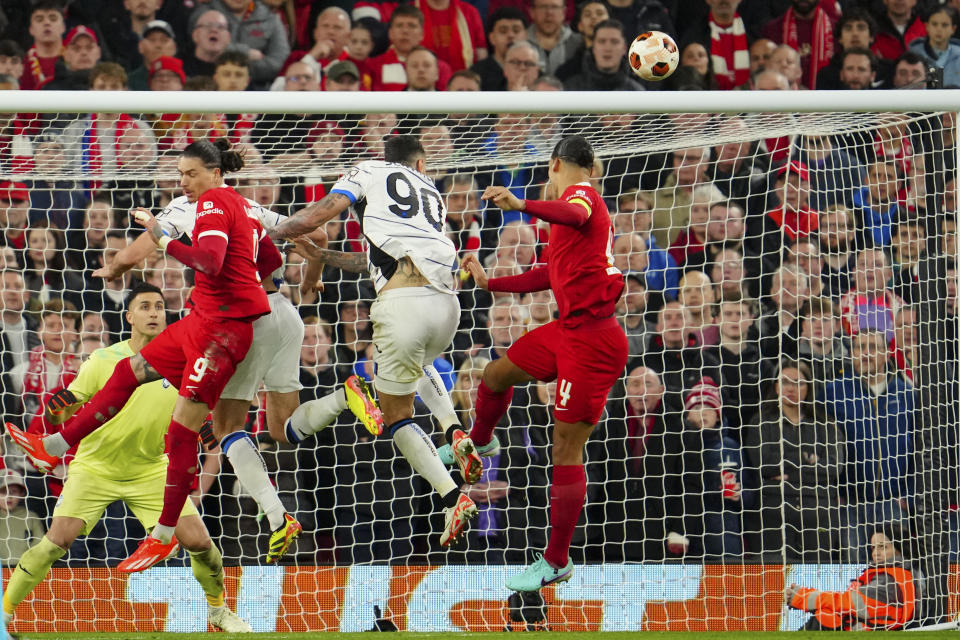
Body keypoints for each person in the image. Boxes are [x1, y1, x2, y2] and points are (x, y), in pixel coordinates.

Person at [8, 138, 284, 572]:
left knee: (181, 432)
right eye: (180, 175)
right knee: (129, 369)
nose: (184, 182)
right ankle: (54, 446)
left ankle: (162, 535)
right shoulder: (244, 208)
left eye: (191, 174)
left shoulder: (213, 203)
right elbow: (267, 259)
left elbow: (209, 262)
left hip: (222, 333)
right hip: (202, 318)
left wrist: (161, 238)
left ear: (215, 174)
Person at [266, 134, 482, 548]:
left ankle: (453, 498)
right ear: (421, 165)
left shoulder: (369, 169)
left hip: (402, 308)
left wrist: (274, 234)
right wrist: (322, 257)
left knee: (396, 415)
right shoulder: (431, 193)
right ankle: (455, 429)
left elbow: (319, 214)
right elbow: (371, 261)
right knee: (416, 368)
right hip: (447, 306)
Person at [2, 283, 252, 632]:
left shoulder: (186, 360)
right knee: (55, 542)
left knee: (200, 543)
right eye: (145, 306)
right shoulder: (103, 359)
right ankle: (5, 615)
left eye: (159, 306)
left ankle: (219, 611)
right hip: (95, 467)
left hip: (150, 469)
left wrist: (209, 429)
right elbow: (69, 407)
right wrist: (59, 413)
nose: (153, 312)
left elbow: (198, 414)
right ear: (128, 315)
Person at [456, 135, 628, 591]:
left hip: (594, 342)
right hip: (568, 330)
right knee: (495, 374)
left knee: (564, 451)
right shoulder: (566, 225)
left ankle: (556, 560)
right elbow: (543, 275)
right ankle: (481, 443)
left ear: (555, 165)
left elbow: (574, 210)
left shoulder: (582, 195)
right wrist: (489, 282)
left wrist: (521, 202)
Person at [744, 359, 843, 562]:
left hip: (818, 509)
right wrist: (807, 458)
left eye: (798, 382)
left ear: (809, 387)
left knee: (816, 579)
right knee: (774, 580)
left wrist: (786, 465)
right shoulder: (761, 421)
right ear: (776, 386)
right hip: (773, 509)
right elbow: (763, 464)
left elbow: (833, 468)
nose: (791, 388)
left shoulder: (826, 424)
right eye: (785, 381)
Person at [785, 522, 920, 630]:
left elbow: (850, 603)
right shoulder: (889, 574)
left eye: (883, 547)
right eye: (873, 548)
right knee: (826, 616)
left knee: (827, 617)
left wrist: (804, 597)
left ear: (899, 549)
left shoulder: (893, 578)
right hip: (863, 626)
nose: (875, 554)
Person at [471, 7, 528, 91]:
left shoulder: (533, 71)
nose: (511, 35)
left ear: (526, 36)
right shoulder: (476, 74)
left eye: (516, 30)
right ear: (491, 38)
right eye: (503, 31)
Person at [908, 5, 960, 87]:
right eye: (934, 24)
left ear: (953, 29)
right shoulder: (913, 54)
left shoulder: (958, 55)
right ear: (927, 26)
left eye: (944, 25)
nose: (939, 29)